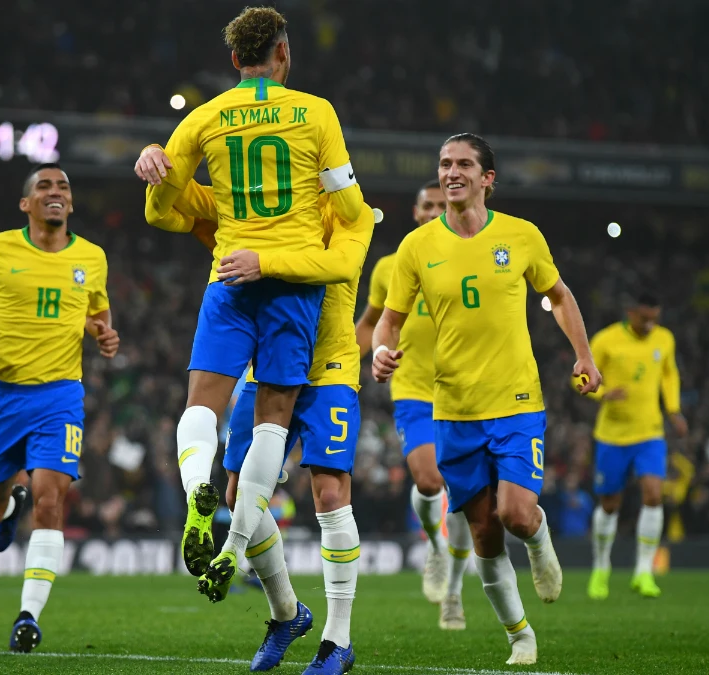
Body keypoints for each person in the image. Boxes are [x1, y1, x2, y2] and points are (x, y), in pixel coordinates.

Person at [135, 5, 363, 607]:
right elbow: (348, 205)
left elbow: (161, 213)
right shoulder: (316, 113)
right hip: (291, 287)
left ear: (235, 60)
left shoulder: (205, 119)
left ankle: (194, 495)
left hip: (228, 277)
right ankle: (234, 548)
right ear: (283, 54)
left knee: (201, 404)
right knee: (271, 416)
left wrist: (157, 166)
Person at [371, 133, 602, 666]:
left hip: (516, 399)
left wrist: (584, 356)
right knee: (482, 529)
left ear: (487, 178)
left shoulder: (521, 237)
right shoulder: (416, 247)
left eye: (464, 164)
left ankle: (539, 540)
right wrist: (382, 351)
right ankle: (519, 635)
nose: (452, 172)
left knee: (516, 514)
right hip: (452, 408)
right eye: (445, 163)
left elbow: (558, 295)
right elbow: (388, 320)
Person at [143, 165, 372, 673]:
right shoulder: (258, 211)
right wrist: (161, 161)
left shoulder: (350, 214)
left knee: (330, 492)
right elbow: (187, 212)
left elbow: (332, 266)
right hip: (265, 365)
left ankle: (338, 639)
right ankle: (286, 613)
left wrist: (263, 260)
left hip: (329, 366)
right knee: (234, 491)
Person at [0, 163, 118, 654]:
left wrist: (103, 332)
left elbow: (97, 311)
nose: (55, 192)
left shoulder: (92, 257)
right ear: (26, 204)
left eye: (63, 186)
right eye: (44, 186)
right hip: (3, 395)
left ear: (71, 203)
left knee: (50, 500)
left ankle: (28, 616)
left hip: (60, 396)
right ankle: (7, 507)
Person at [356, 179, 474, 629]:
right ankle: (436, 546)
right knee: (429, 481)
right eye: (427, 205)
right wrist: (345, 360)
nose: (432, 212)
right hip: (414, 389)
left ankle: (455, 594)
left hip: (467, 392)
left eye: (441, 206)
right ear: (415, 211)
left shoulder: (472, 258)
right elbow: (371, 323)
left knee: (464, 495)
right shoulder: (391, 266)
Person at [581, 293, 686, 600]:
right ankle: (601, 568)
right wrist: (601, 395)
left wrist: (674, 409)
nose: (651, 323)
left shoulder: (664, 339)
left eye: (655, 316)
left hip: (650, 432)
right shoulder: (606, 340)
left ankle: (643, 572)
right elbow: (580, 379)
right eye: (645, 317)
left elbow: (669, 373)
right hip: (612, 436)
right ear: (629, 311)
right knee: (610, 504)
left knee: (654, 494)